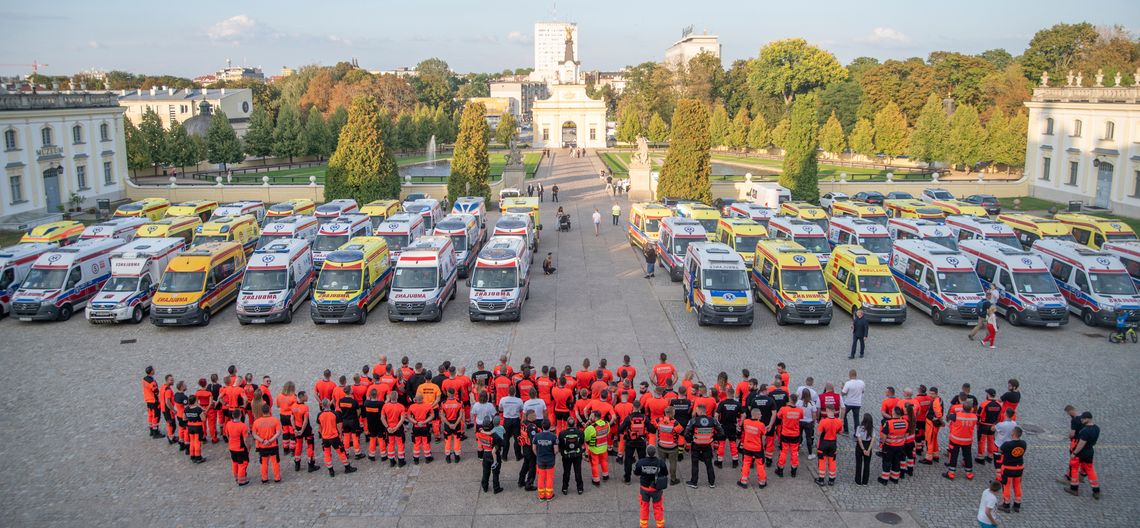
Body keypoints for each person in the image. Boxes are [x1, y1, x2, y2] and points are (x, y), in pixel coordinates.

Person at [683, 404, 723, 488]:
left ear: (700, 411)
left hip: (696, 445)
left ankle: (694, 482)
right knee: (709, 464)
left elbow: (686, 433)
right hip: (707, 445)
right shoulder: (713, 420)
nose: (696, 412)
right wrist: (713, 438)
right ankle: (712, 483)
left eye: (697, 411)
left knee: (695, 464)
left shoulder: (693, 420)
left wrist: (690, 439)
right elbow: (721, 433)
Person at [318, 399, 357, 477]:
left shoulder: (320, 415)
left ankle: (331, 470)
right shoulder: (334, 414)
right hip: (334, 437)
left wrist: (322, 434)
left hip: (325, 438)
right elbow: (339, 425)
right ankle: (347, 467)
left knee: (327, 453)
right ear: (329, 404)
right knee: (341, 452)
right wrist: (340, 434)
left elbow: (320, 427)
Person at [1066, 411, 1100, 499]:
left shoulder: (1085, 431)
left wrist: (1074, 453)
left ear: (1088, 419)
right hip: (1090, 452)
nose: (1081, 420)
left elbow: (1081, 444)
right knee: (1090, 470)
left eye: (1083, 419)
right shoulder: (1097, 428)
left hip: (1081, 453)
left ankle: (1074, 489)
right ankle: (1096, 490)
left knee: (1074, 469)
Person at [633, 445, 669, 528]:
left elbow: (636, 473)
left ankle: (643, 525)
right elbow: (665, 473)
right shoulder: (660, 462)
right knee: (658, 507)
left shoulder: (641, 462)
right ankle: (660, 525)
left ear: (647, 453)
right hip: (656, 489)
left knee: (644, 507)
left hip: (644, 488)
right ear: (655, 453)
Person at [944, 401, 978, 481]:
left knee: (953, 456)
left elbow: (949, 416)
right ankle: (969, 473)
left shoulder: (956, 416)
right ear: (971, 409)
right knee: (967, 456)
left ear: (962, 408)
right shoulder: (974, 417)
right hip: (967, 440)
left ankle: (951, 473)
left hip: (955, 439)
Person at [619, 401, 650, 483]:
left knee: (628, 460)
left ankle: (627, 478)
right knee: (642, 459)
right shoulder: (644, 418)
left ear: (632, 407)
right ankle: (644, 477)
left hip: (630, 442)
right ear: (640, 407)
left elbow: (620, 429)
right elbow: (651, 429)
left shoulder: (628, 418)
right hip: (641, 441)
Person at [252, 404, 282, 483]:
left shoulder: (256, 422)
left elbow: (254, 434)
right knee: (275, 462)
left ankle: (264, 478)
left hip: (262, 446)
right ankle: (277, 477)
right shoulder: (275, 420)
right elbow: (278, 433)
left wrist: (262, 441)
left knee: (264, 463)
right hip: (273, 445)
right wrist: (270, 440)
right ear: (269, 410)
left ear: (262, 411)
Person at [998, 426, 1026, 513]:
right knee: (1017, 485)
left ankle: (1006, 504)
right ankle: (1017, 504)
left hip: (1008, 468)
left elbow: (1000, 450)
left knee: (1006, 486)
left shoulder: (1007, 444)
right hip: (1019, 468)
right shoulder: (1023, 443)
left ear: (1013, 433)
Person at [738, 408, 767, 488]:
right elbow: (763, 437)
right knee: (760, 465)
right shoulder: (761, 425)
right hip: (757, 448)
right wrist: (763, 448)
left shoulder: (746, 422)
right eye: (760, 414)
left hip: (747, 447)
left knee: (746, 463)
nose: (761, 415)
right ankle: (762, 482)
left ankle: (743, 481)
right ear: (756, 415)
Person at [476, 417, 505, 494]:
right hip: (494, 454)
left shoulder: (480, 433)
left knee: (485, 472)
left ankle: (485, 487)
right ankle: (496, 488)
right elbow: (502, 443)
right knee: (495, 472)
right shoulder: (494, 435)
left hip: (485, 454)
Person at [880, 407, 908, 484]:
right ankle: (895, 478)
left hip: (889, 446)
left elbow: (884, 436)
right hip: (900, 446)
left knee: (887, 462)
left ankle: (884, 479)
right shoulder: (905, 422)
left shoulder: (889, 423)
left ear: (894, 413)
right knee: (896, 462)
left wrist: (882, 443)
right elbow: (907, 434)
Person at [224, 409, 251, 486]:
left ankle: (236, 476)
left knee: (234, 463)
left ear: (232, 415)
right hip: (240, 448)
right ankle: (241, 480)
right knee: (242, 464)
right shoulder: (243, 426)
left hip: (232, 447)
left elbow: (227, 434)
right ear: (241, 415)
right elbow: (245, 440)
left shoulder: (228, 424)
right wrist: (248, 447)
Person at [558, 417, 585, 494]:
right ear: (575, 424)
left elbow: (560, 444)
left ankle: (565, 488)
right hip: (577, 455)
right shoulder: (580, 432)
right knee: (578, 471)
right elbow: (582, 442)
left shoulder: (562, 433)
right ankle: (580, 489)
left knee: (566, 472)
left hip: (566, 456)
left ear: (567, 424)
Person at [584, 410, 611, 485]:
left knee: (594, 464)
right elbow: (607, 432)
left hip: (594, 449)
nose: (590, 417)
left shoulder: (591, 428)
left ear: (595, 417)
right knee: (604, 461)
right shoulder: (607, 424)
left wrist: (587, 425)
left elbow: (586, 438)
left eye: (591, 416)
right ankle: (605, 475)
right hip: (604, 448)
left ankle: (596, 480)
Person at [816, 407, 842, 486]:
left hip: (823, 443)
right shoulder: (839, 421)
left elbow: (818, 433)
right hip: (833, 443)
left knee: (822, 461)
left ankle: (821, 479)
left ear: (827, 411)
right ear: (834, 411)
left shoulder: (823, 421)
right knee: (832, 461)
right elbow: (840, 431)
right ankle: (831, 480)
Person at [533, 420, 558, 500]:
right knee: (549, 478)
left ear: (542, 426)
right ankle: (549, 495)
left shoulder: (537, 436)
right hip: (550, 460)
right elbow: (556, 450)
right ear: (550, 426)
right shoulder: (553, 436)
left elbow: (534, 448)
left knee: (541, 478)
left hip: (540, 460)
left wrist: (538, 455)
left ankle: (541, 495)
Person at [853, 414, 874, 485]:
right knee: (867, 464)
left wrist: (863, 449)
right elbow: (872, 440)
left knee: (858, 464)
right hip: (868, 445)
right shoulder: (872, 429)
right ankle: (865, 481)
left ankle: (858, 481)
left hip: (860, 447)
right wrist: (868, 450)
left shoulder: (859, 428)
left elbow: (859, 440)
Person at [841, 370, 864, 434]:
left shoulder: (848, 383)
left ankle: (846, 430)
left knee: (844, 415)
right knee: (856, 418)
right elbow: (862, 391)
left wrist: (842, 388)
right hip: (857, 403)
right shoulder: (861, 383)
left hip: (849, 403)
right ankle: (856, 434)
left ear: (849, 375)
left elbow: (843, 393)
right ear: (856, 375)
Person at [142, 366, 160, 438]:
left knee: (150, 415)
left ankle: (151, 430)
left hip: (148, 399)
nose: (154, 370)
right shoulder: (152, 382)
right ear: (151, 371)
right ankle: (155, 432)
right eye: (153, 369)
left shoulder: (144, 379)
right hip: (153, 400)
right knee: (156, 416)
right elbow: (156, 391)